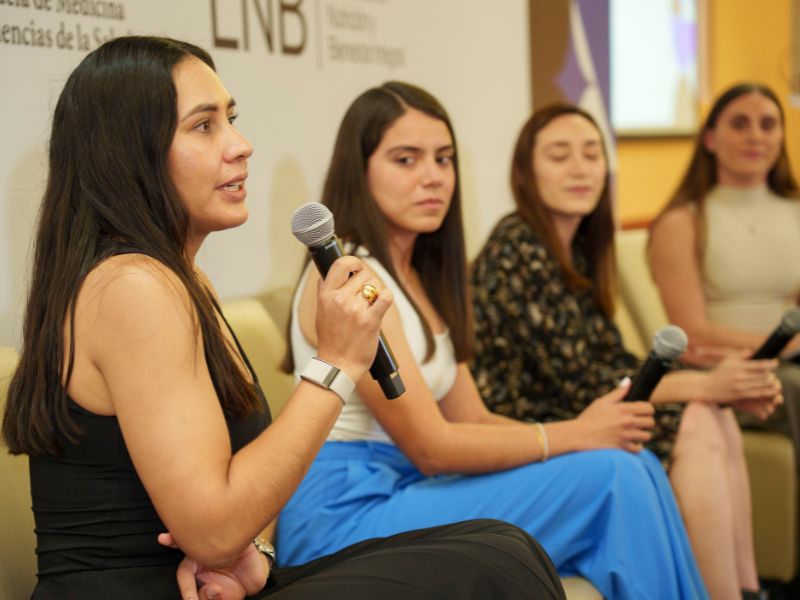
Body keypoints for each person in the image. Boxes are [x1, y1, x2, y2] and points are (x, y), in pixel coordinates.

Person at [0, 36, 567, 600]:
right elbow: (212, 530)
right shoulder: (131, 286)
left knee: (500, 544)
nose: (241, 145)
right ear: (130, 153)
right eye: (204, 126)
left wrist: (255, 556)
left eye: (231, 120)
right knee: (495, 566)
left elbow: (237, 498)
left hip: (218, 586)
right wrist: (336, 363)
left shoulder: (182, 280)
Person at [280, 81, 709, 600]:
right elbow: (432, 448)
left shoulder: (422, 276)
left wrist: (584, 437)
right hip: (346, 512)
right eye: (406, 159)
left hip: (409, 488)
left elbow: (475, 419)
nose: (433, 177)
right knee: (614, 477)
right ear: (359, 170)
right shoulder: (349, 277)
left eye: (443, 159)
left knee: (635, 462)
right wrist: (575, 434)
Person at [469, 103, 782, 599]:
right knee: (695, 419)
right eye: (560, 156)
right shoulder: (518, 245)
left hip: (575, 402)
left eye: (592, 154)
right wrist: (704, 383)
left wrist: (713, 387)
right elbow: (581, 382)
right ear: (525, 173)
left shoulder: (578, 247)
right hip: (530, 423)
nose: (580, 169)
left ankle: (746, 587)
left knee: (711, 412)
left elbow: (609, 361)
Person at [649, 82, 800, 466]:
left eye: (768, 124)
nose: (756, 136)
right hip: (725, 370)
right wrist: (785, 346)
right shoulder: (681, 223)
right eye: (740, 124)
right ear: (711, 139)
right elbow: (693, 332)